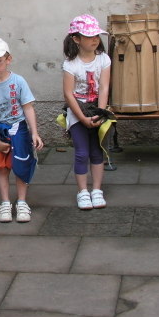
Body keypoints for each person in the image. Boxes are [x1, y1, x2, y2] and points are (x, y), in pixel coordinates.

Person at [0, 38, 44, 223]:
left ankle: (22, 202)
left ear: (8, 59)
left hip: (19, 129)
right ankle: (5, 203)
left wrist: (34, 132)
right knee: (3, 167)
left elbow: (28, 107)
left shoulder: (18, 81)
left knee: (22, 164)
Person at [62, 15, 111, 210]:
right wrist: (82, 118)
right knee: (82, 152)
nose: (95, 39)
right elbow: (68, 93)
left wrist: (101, 112)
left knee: (97, 151)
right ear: (76, 39)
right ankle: (82, 191)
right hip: (78, 110)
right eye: (89, 36)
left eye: (96, 35)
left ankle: (97, 190)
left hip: (97, 108)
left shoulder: (103, 59)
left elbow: (104, 87)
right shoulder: (70, 64)